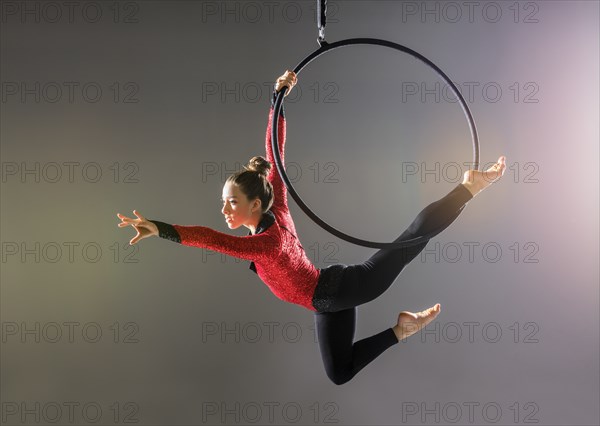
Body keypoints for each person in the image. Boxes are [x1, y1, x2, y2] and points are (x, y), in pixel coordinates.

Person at [117, 71, 507, 385]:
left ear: (255, 204)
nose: (224, 209)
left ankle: (469, 186)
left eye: (231, 202)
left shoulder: (266, 243)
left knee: (409, 242)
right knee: (339, 373)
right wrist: (277, 100)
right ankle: (402, 330)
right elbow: (275, 152)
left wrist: (159, 228)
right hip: (325, 299)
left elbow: (210, 239)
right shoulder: (275, 212)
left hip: (341, 291)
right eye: (224, 201)